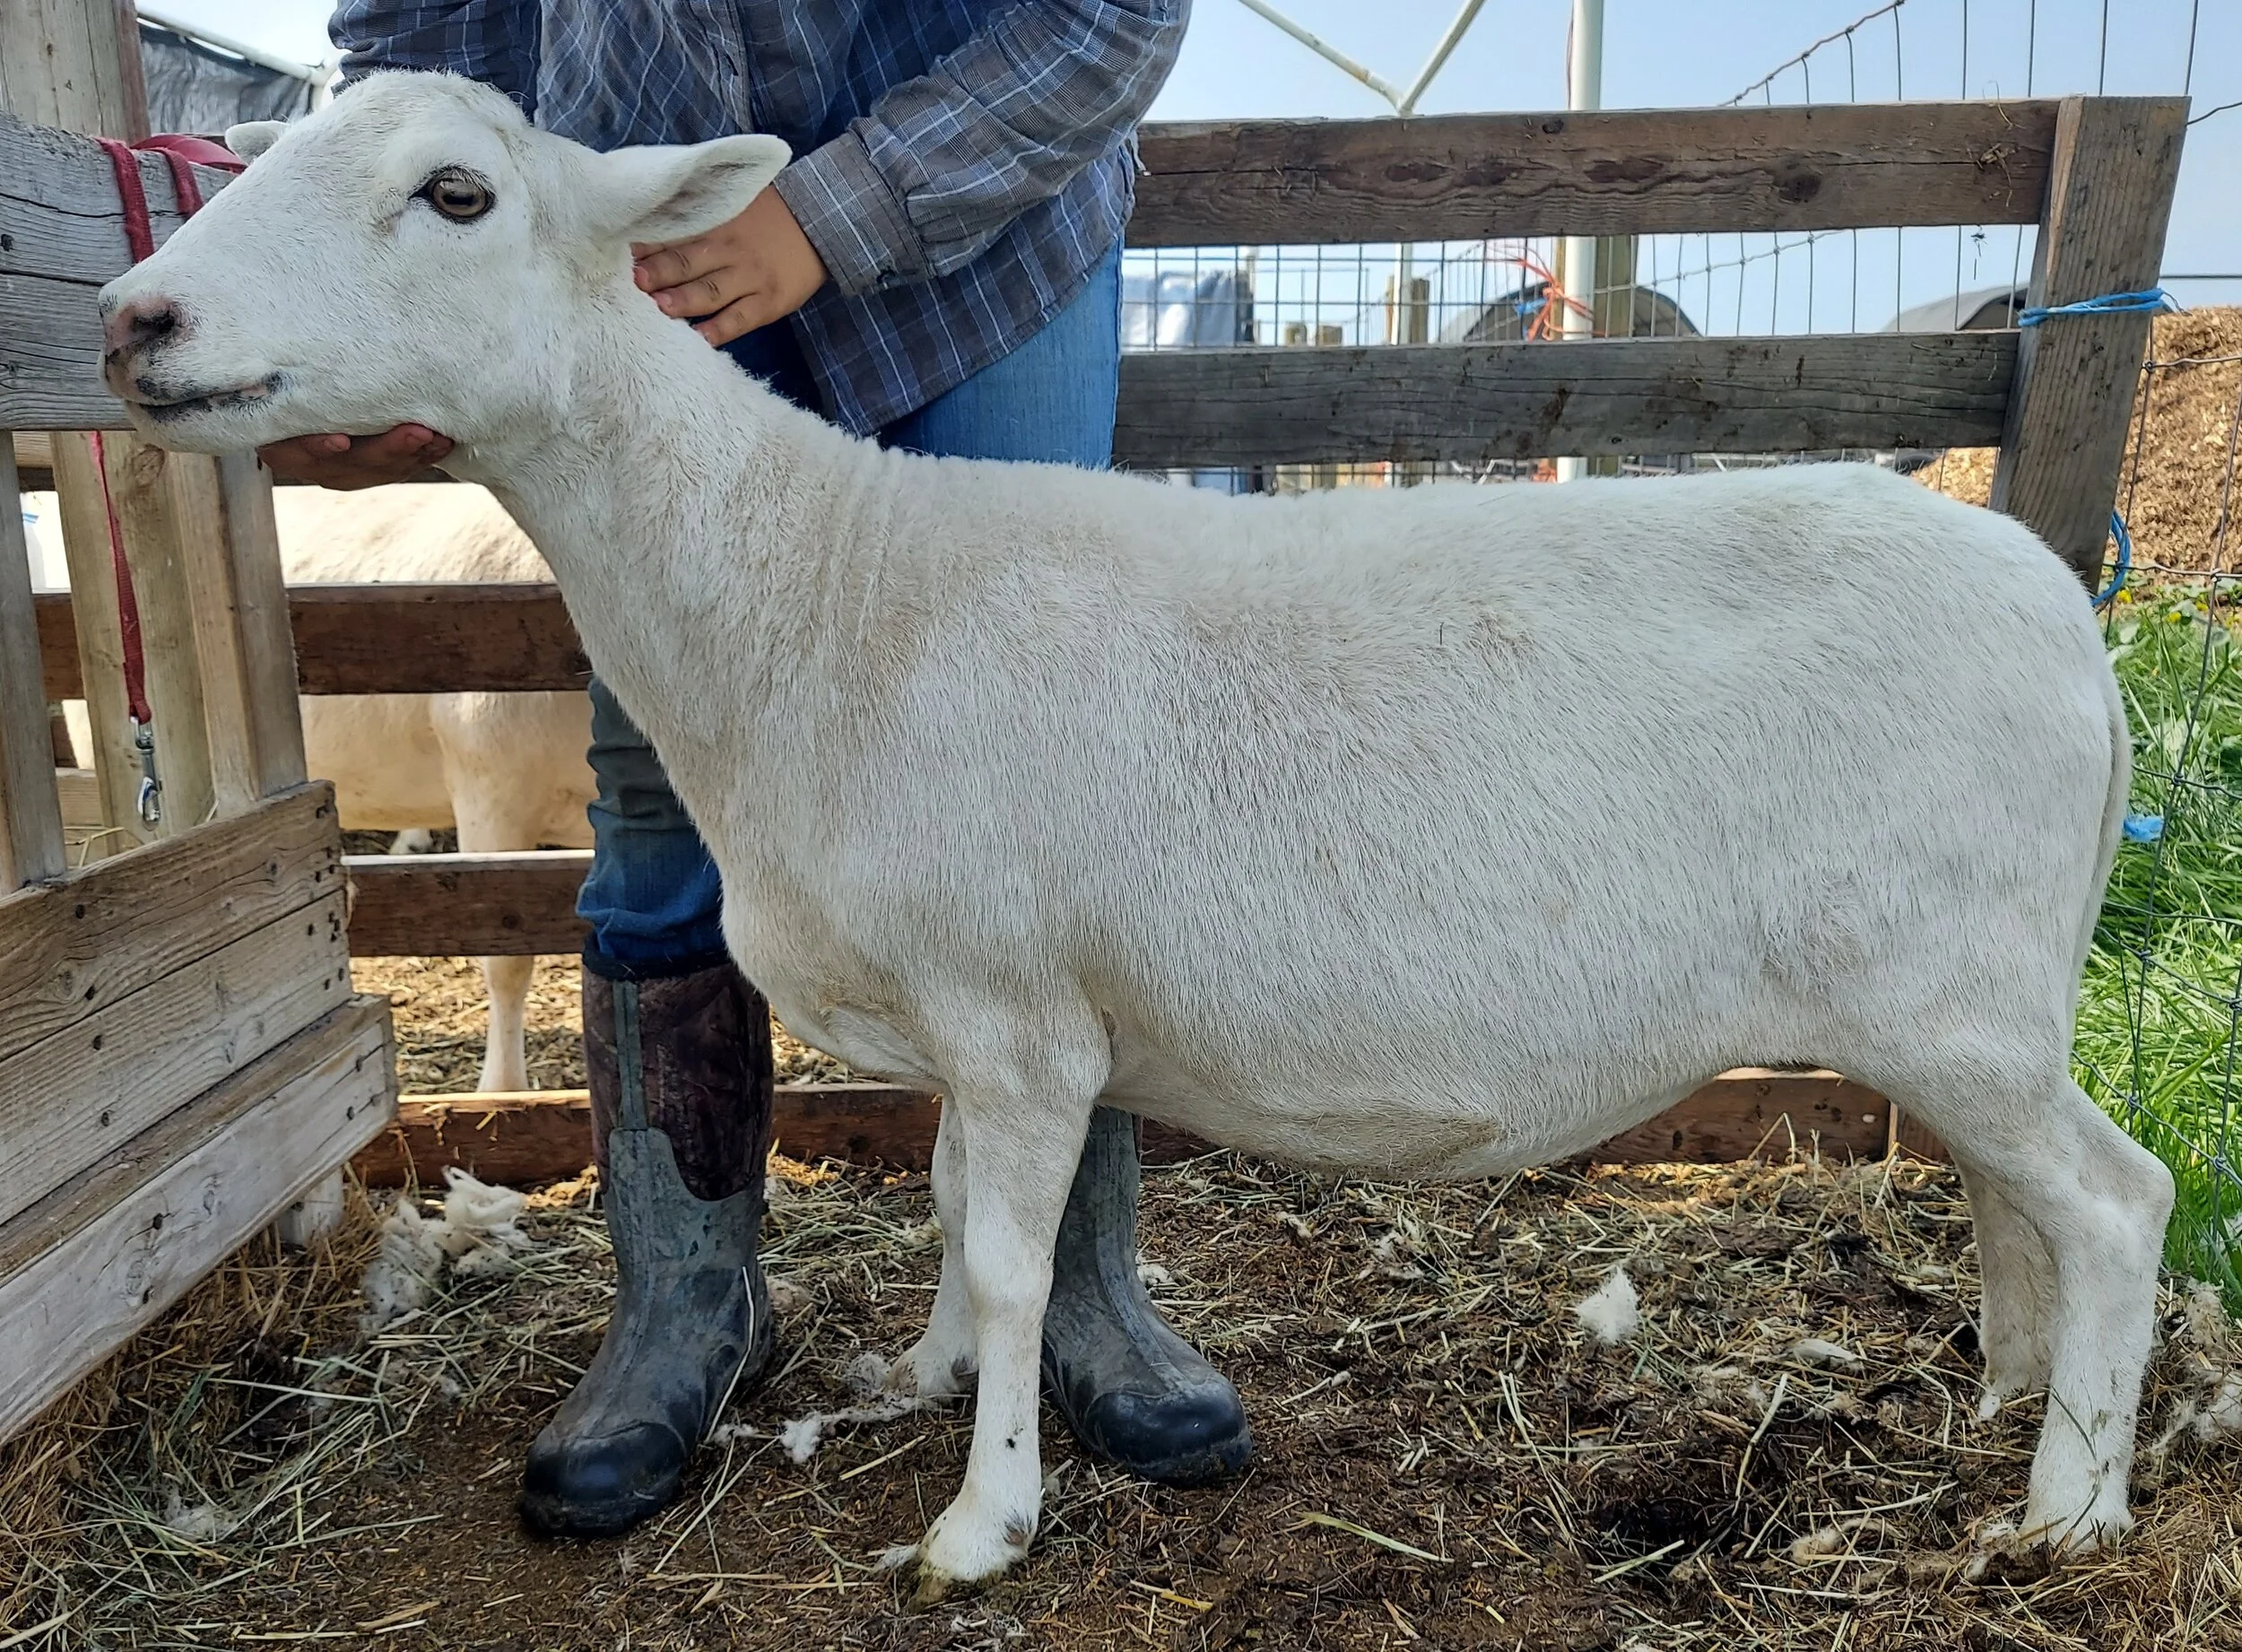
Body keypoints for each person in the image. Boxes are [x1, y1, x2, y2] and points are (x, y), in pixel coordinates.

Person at [268, 0, 1251, 1538]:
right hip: (631, 248)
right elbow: (418, 25)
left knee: (1033, 785)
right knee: (664, 780)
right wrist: (394, 272)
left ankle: (1074, 1290)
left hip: (987, 246)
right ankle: (687, 1297)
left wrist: (839, 205)